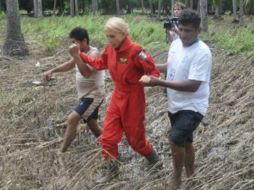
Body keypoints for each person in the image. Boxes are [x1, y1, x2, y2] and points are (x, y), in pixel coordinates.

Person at [69, 17, 161, 182]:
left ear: (124, 33)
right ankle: (112, 172)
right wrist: (81, 55)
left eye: (113, 36)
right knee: (108, 138)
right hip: (118, 96)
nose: (109, 40)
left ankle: (155, 161)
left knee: (135, 141)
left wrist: (150, 78)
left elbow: (153, 71)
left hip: (134, 98)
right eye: (107, 36)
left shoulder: (136, 50)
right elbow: (98, 64)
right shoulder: (110, 49)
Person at [140, 9, 212, 189]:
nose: (184, 34)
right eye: (181, 29)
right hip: (175, 103)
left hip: (193, 105)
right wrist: (150, 68)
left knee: (175, 138)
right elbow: (169, 66)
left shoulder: (202, 52)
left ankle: (176, 177)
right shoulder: (175, 44)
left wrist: (159, 82)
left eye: (189, 30)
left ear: (198, 30)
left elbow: (193, 85)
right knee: (186, 141)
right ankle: (191, 174)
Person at [44, 27, 105, 153]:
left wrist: (76, 55)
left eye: (74, 42)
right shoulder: (80, 53)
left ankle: (62, 152)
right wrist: (52, 71)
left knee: (73, 118)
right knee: (93, 125)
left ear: (84, 41)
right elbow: (69, 64)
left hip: (94, 95)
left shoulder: (93, 54)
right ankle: (110, 145)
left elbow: (87, 73)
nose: (73, 45)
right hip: (86, 95)